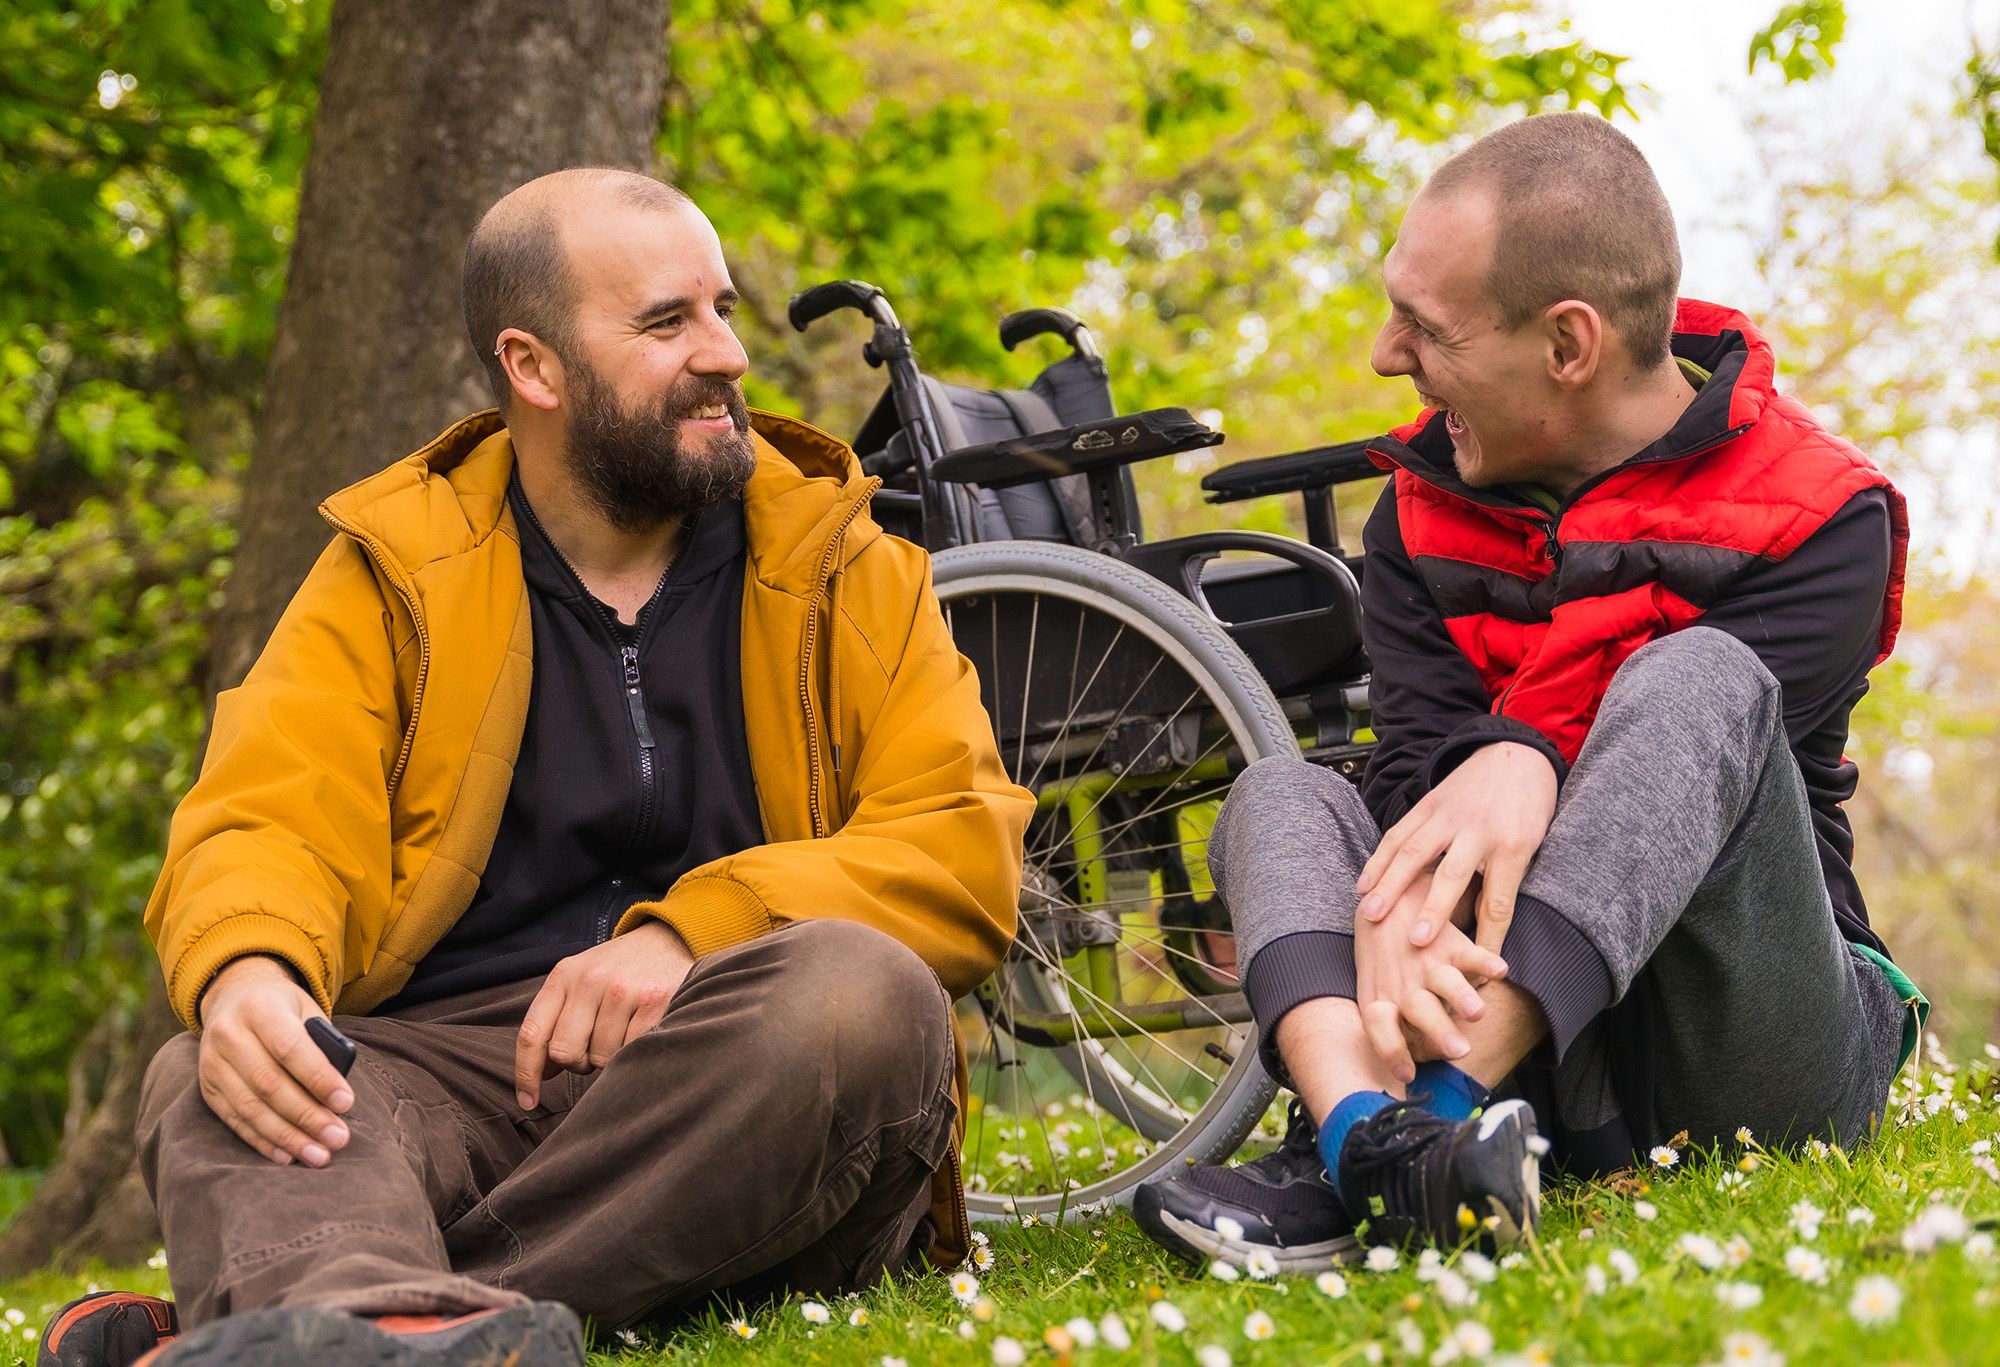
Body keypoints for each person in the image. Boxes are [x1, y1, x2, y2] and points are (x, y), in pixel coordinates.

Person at [42, 168, 1032, 1367]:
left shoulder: (849, 563)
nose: (723, 352)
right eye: (668, 322)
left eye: (721, 310)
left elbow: (960, 848)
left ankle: (332, 1314)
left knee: (859, 992)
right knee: (225, 1062)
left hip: (731, 1070)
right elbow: (270, 813)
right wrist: (252, 968)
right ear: (535, 366)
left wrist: (691, 934)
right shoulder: (393, 568)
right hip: (450, 1071)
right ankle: (372, 1317)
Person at [1134, 112, 1921, 1272]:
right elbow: (1413, 786)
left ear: (1566, 344)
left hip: (1751, 1055)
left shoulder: (1824, 517)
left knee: (1695, 676)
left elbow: (1670, 764)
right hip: (1549, 1071)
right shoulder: (1414, 510)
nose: (1383, 355)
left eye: (1425, 327)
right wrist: (1480, 766)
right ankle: (1369, 1132)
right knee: (1284, 794)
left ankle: (1411, 1130)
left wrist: (1519, 756)